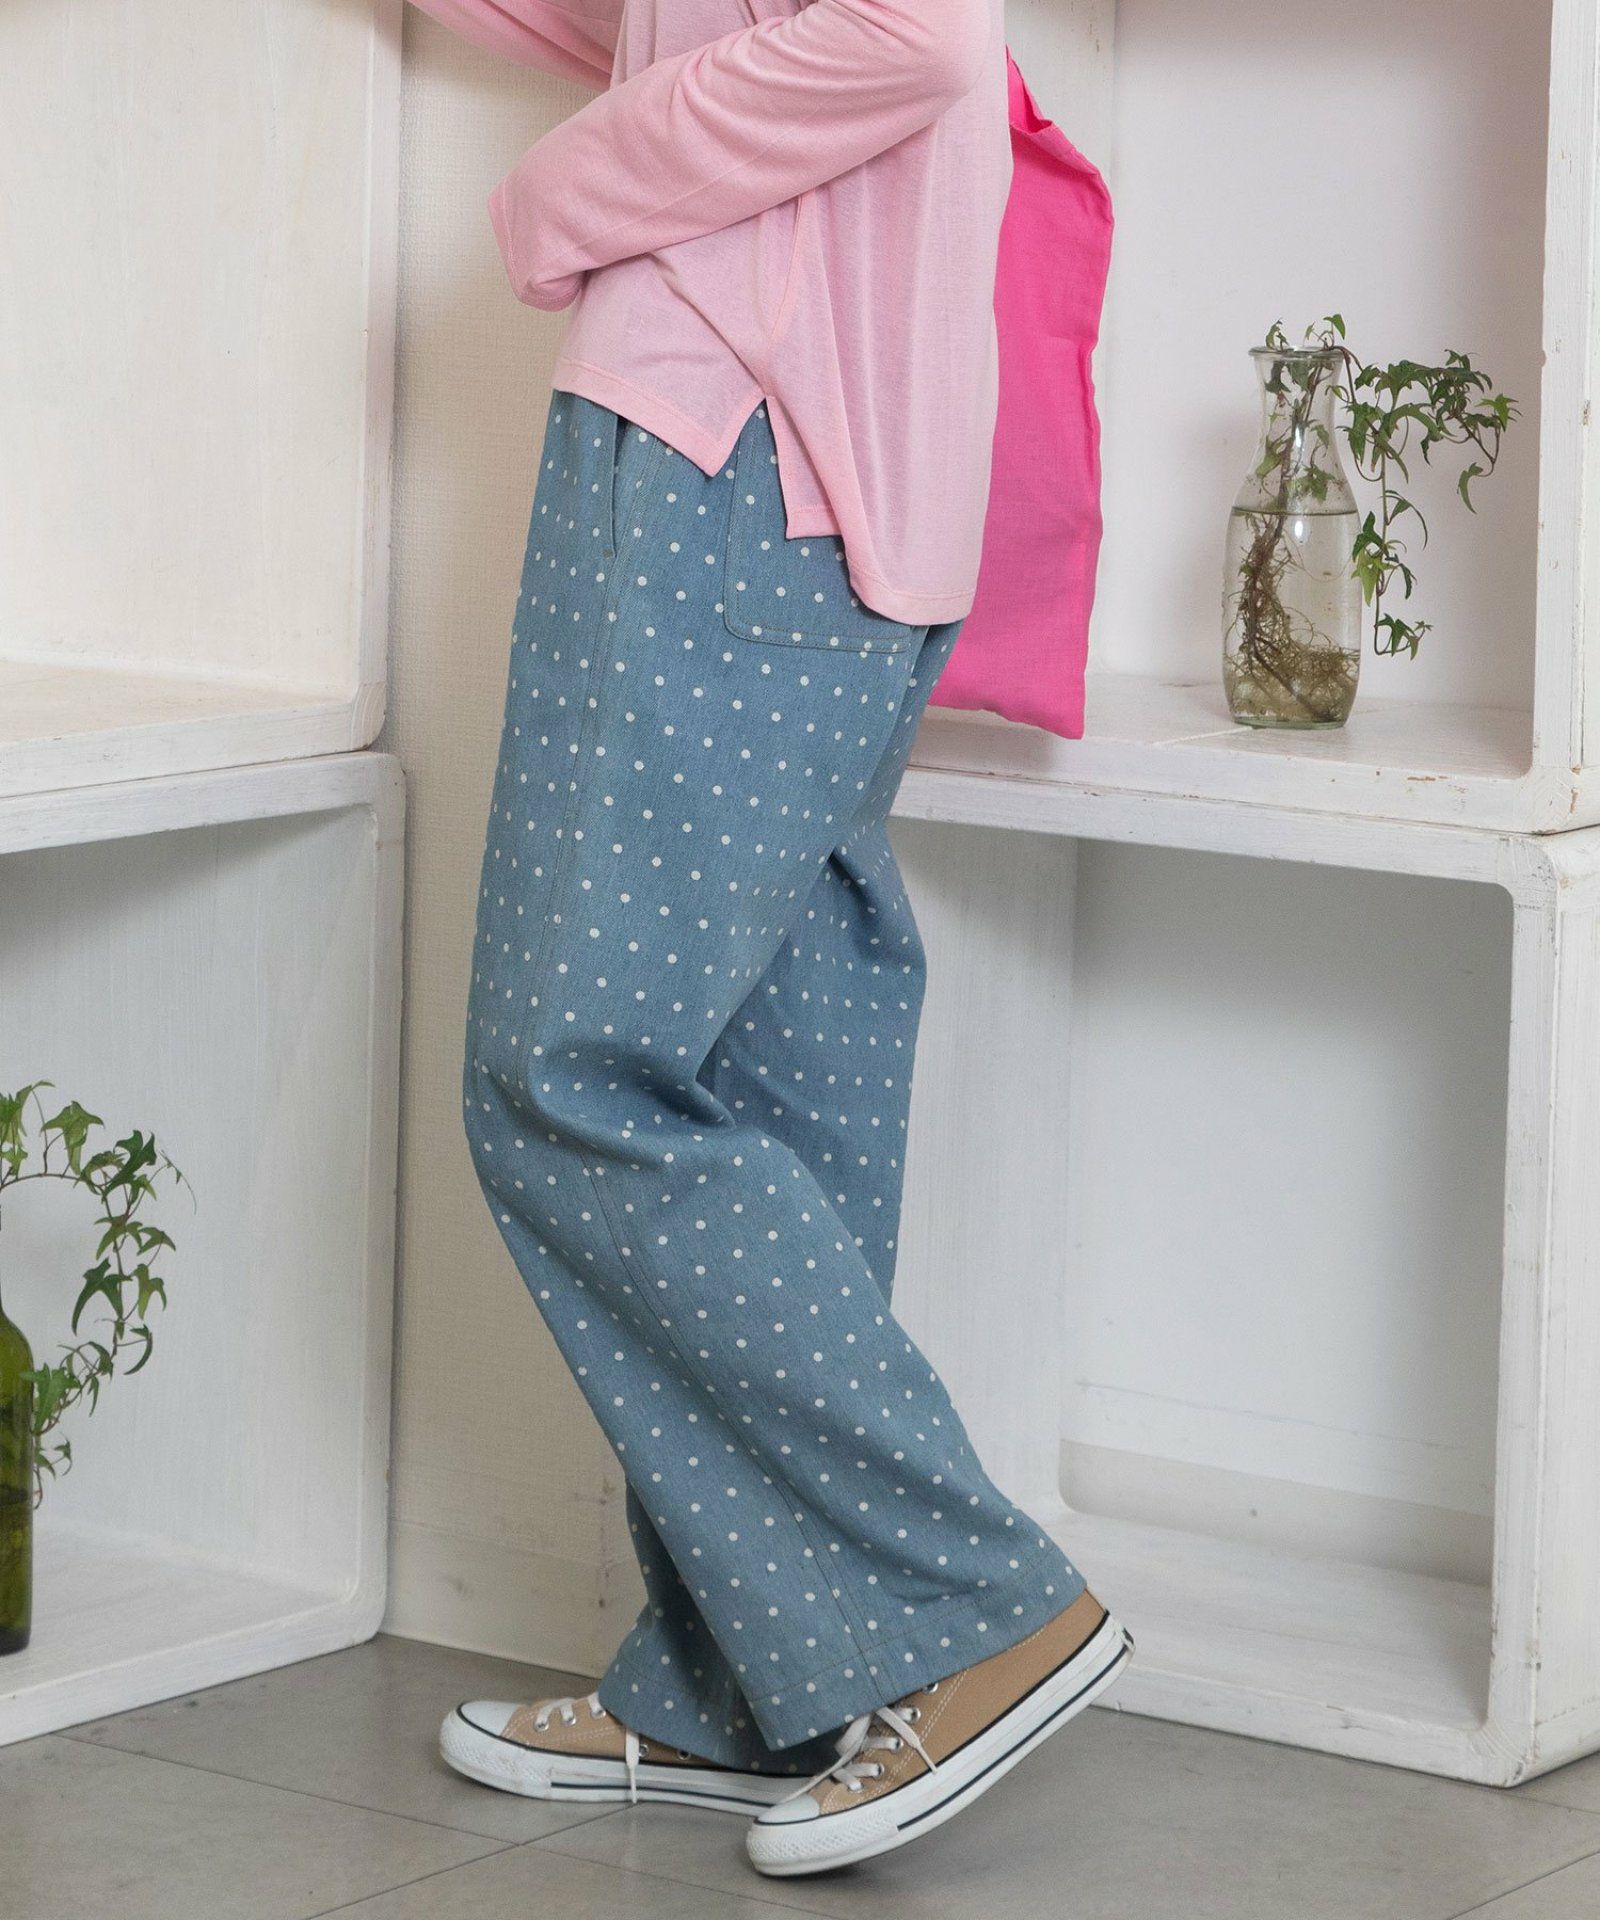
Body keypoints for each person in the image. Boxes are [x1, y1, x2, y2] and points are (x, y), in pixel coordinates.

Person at [408, 0, 1131, 1876]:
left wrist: (572, 179)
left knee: (569, 1070)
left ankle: (964, 1611)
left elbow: (912, 31)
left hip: (731, 442)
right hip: (821, 466)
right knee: (765, 1077)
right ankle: (751, 1685)